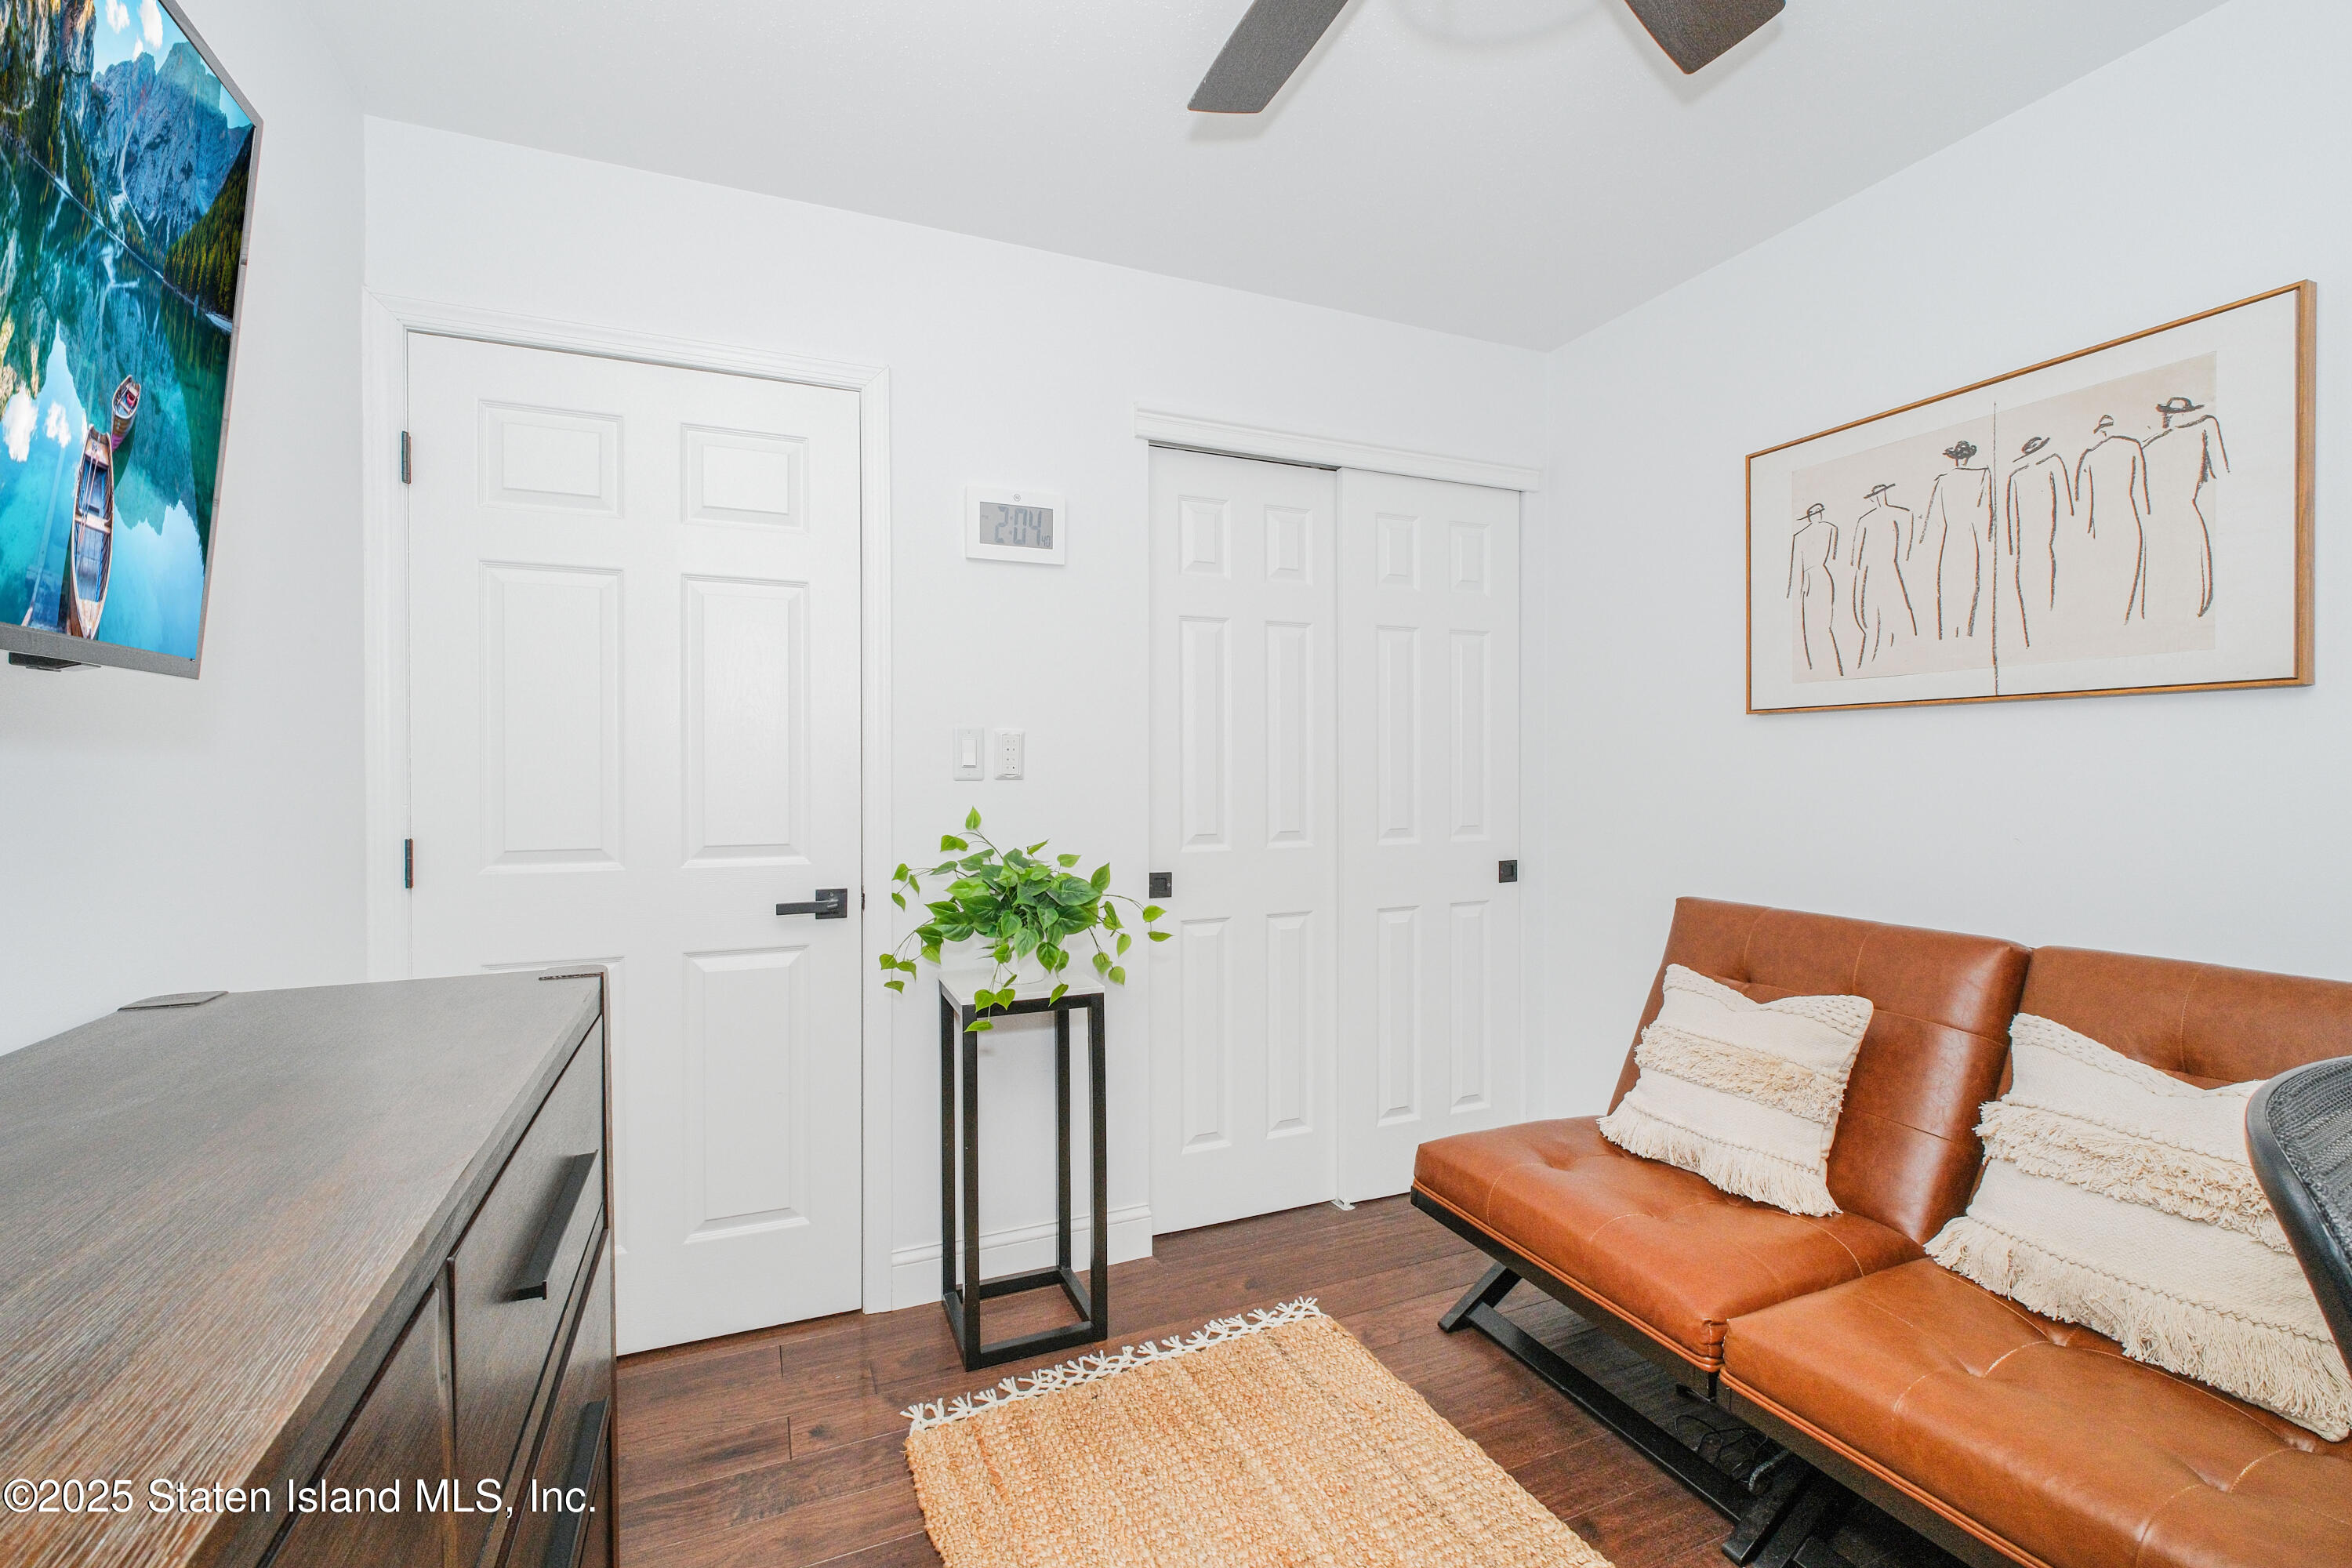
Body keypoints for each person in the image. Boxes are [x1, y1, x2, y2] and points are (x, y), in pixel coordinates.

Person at [2142, 394, 2228, 622]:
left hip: (2161, 517)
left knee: (2169, 572)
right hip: (2180, 512)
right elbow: (2222, 472)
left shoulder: (2150, 444)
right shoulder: (2205, 427)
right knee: (2186, 570)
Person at [2073, 415, 2151, 628]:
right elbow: (2141, 491)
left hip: (2102, 523)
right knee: (2129, 572)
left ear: (2101, 431)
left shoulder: (2089, 457)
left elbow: (2084, 502)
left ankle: (2113, 621)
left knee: (2107, 575)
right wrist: (2147, 517)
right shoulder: (2133, 446)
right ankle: (2126, 619)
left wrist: (2087, 531)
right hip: (2128, 518)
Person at [2003, 435, 2074, 648]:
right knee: (2045, 589)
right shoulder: (2052, 464)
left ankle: (2037, 638)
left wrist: (2013, 548)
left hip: (2033, 545)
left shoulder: (2019, 476)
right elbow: (2067, 505)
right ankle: (2040, 639)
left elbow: (2011, 521)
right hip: (2043, 542)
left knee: (2035, 588)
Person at [1916, 440, 1990, 641]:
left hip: (1951, 537)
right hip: (1969, 535)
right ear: (1968, 457)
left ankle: (1949, 632)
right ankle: (1966, 631)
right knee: (1968, 583)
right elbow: (1986, 512)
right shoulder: (1982, 474)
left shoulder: (1943, 480)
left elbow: (1934, 518)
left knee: (1949, 584)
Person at [1847, 483, 1917, 668]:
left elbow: (1905, 552)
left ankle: (1896, 653)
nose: (1877, 498)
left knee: (1893, 610)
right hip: (1876, 570)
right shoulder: (1869, 519)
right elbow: (1857, 559)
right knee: (1876, 614)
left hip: (1885, 569)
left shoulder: (1900, 514)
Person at [1785, 502, 1846, 676]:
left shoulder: (1831, 529)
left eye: (1818, 512)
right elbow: (1796, 566)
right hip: (1810, 580)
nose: (1816, 515)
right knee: (1811, 625)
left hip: (1821, 577)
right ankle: (1816, 666)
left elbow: (1835, 557)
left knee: (1824, 623)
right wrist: (1795, 589)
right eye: (1813, 513)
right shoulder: (1800, 536)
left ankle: (1829, 666)